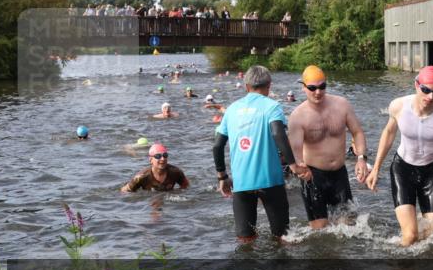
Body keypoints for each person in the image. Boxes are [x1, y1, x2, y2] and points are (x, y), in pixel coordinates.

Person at [366, 66, 433, 246]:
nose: (430, 97)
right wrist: (376, 168)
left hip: (431, 172)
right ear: (416, 85)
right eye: (426, 90)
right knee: (410, 237)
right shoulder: (399, 106)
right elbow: (388, 134)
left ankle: (417, 222)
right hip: (403, 170)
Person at [212, 65, 309, 243]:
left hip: (241, 183)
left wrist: (222, 176)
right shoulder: (272, 106)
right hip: (270, 181)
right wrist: (294, 165)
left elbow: (217, 146)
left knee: (246, 240)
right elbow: (278, 134)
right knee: (282, 237)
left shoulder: (232, 109)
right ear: (269, 86)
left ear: (246, 86)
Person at [287, 66, 368, 230]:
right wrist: (298, 168)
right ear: (304, 87)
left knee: (348, 228)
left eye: (322, 86)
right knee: (320, 231)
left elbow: (357, 132)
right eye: (312, 88)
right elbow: (294, 150)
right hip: (313, 176)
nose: (318, 92)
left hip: (339, 174)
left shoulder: (342, 105)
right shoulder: (298, 116)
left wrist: (361, 159)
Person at [121, 143, 190, 192]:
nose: (163, 159)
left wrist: (175, 193)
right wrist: (133, 183)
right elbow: (124, 191)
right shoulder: (142, 176)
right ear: (151, 160)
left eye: (165, 155)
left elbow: (186, 187)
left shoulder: (176, 172)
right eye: (158, 156)